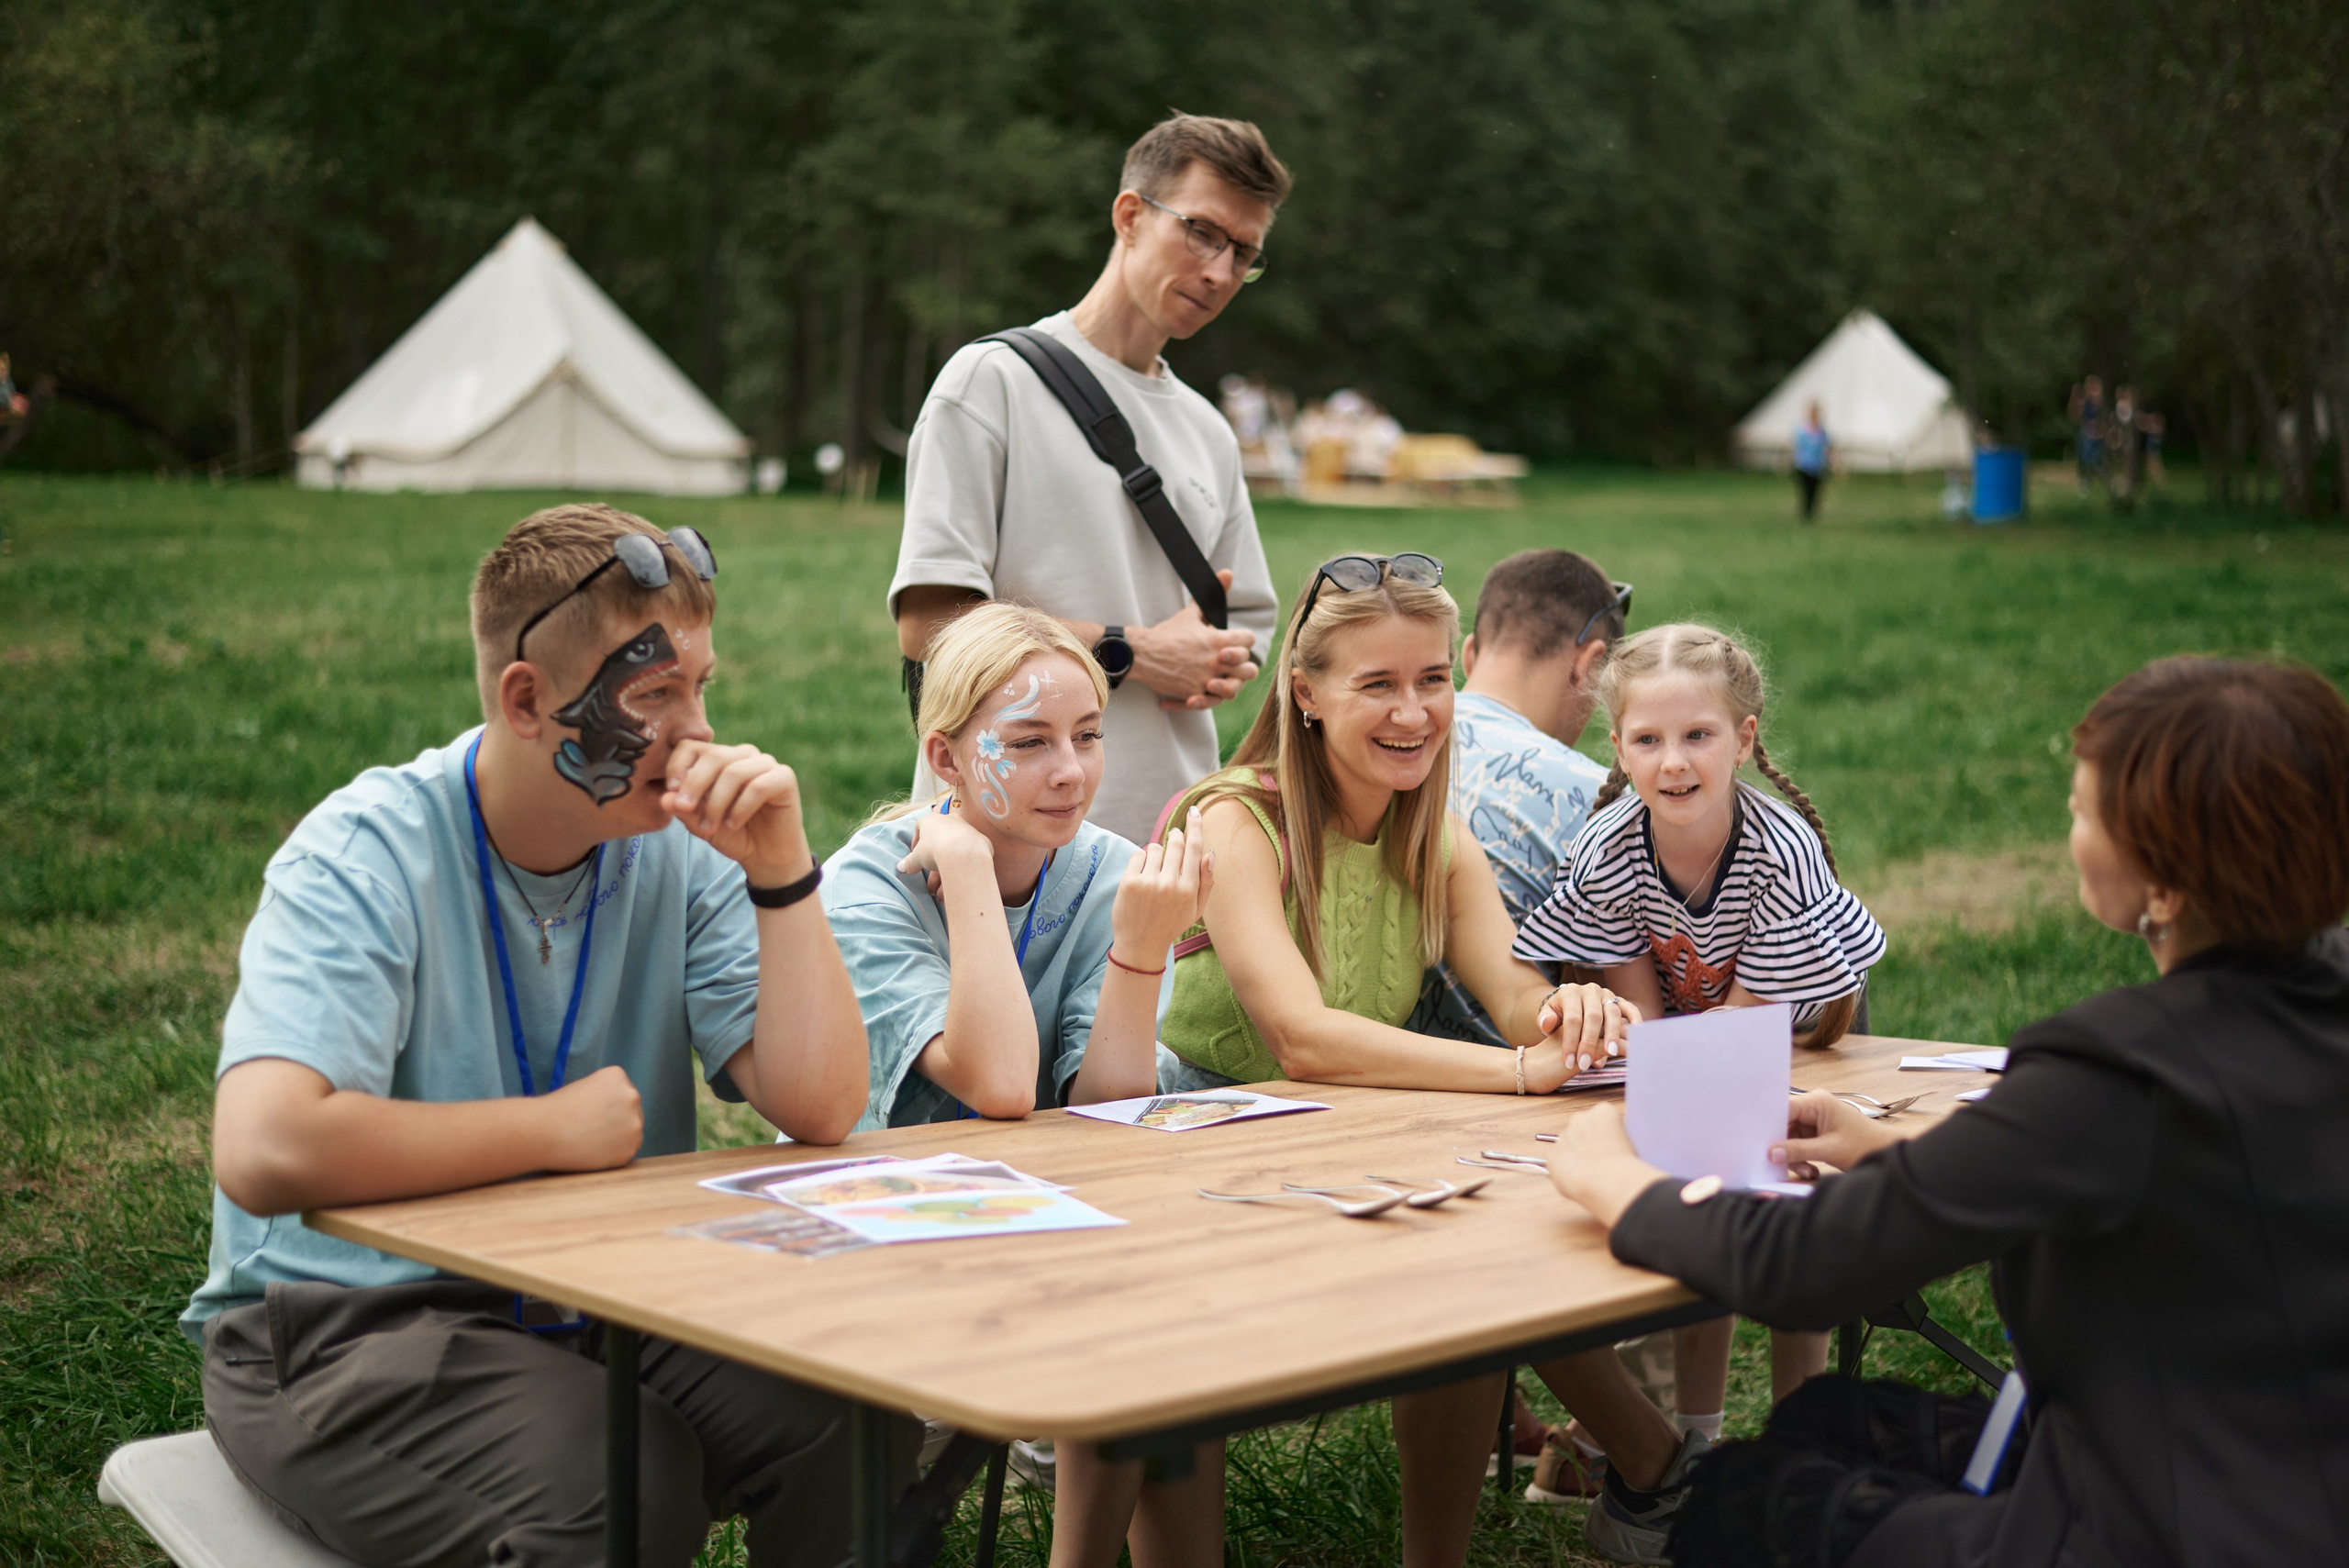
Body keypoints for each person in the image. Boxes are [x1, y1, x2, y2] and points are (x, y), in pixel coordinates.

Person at [186, 503, 905, 1568]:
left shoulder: (677, 848)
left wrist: (782, 872)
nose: (698, 732)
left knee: (854, 1406)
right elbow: (265, 1145)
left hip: (592, 1289)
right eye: (654, 695)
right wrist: (551, 1130)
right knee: (622, 1487)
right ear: (527, 699)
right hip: (343, 1321)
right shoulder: (362, 854)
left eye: (702, 687)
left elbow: (822, 1104)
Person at [1547, 655, 2349, 1568]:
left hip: (2165, 1520)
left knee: (1739, 1497)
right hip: (2276, 1458)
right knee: (1829, 1418)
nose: (2069, 829)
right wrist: (1889, 1147)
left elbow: (1806, 1266)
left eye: (2082, 812)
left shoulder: (2116, 1069)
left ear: (2163, 884)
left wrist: (1619, 1181)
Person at [1146, 550, 1669, 1568]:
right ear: (1305, 693)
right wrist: (1517, 1073)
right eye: (1377, 683)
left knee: (1472, 1268)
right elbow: (1302, 1039)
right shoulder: (1235, 818)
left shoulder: (1437, 833)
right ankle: (1655, 1467)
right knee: (1457, 1257)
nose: (1413, 711)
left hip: (1351, 1140)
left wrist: (1564, 1010)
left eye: (1431, 679)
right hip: (1199, 1151)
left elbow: (1511, 993)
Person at [1511, 622, 1886, 1551]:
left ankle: (1801, 1446)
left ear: (1744, 739)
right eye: (1648, 738)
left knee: (1789, 1201)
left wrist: (1702, 1092)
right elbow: (1640, 1014)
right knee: (1695, 1202)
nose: (1673, 761)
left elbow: (1755, 1022)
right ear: (1617, 745)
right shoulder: (1607, 849)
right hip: (1680, 1040)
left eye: (1698, 735)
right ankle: (1697, 1439)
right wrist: (1668, 1094)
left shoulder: (1779, 850)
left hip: (1793, 1039)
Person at [890, 113, 1287, 843]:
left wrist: (1222, 661)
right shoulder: (990, 384)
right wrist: (1134, 651)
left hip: (1168, 837)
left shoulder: (1208, 430)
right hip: (998, 846)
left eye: (1244, 253)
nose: (1220, 272)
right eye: (1202, 232)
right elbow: (931, 627)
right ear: (1130, 216)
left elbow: (1249, 624)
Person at [820, 603, 1210, 1131]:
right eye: (1029, 742)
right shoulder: (865, 887)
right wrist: (968, 871)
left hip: (1050, 1178)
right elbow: (1000, 1085)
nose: (1071, 772)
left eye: (1087, 736)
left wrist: (1140, 951)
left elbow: (1110, 1114)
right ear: (946, 758)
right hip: (880, 1178)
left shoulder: (1118, 879)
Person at [1416, 549, 1627, 1049]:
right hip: (1521, 1065)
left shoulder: (1394, 754)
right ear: (1591, 666)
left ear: (1469, 654)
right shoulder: (1601, 799)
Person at [1792, 400, 1831, 520]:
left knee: (1815, 491)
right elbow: (1797, 447)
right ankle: (1806, 512)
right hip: (1804, 465)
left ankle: (1811, 512)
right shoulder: (1803, 431)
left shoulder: (1822, 432)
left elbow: (1826, 448)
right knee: (1805, 490)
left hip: (1818, 466)